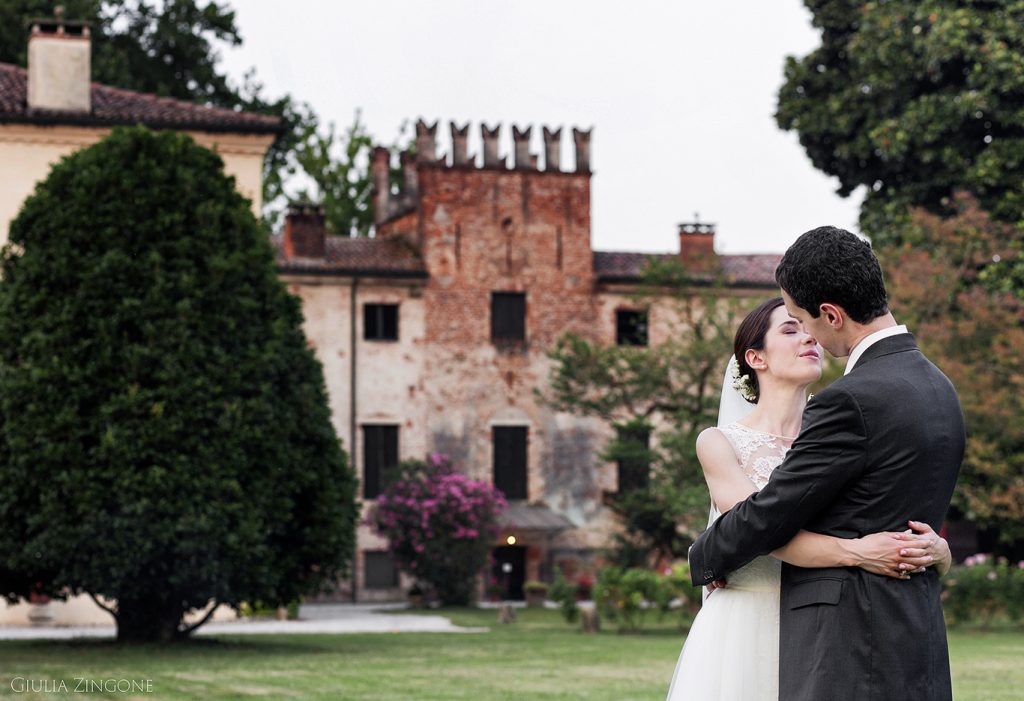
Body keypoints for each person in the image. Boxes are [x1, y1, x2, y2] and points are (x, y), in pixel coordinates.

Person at [687, 226, 965, 701]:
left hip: (849, 643)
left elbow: (769, 515)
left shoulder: (849, 401)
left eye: (803, 319)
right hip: (915, 634)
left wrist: (705, 554)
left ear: (831, 314)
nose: (807, 336)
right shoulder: (940, 388)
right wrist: (939, 550)